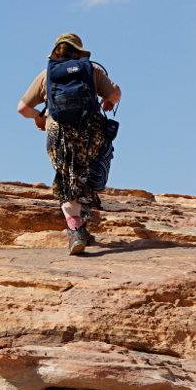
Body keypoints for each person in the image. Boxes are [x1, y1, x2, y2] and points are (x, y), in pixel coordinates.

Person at [17, 33, 121, 255]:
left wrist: (41, 115)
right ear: (79, 53)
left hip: (58, 132)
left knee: (65, 179)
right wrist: (108, 101)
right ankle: (81, 228)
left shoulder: (47, 75)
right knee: (84, 175)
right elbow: (116, 94)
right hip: (90, 131)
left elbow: (22, 109)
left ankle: (76, 229)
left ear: (56, 53)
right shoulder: (92, 70)